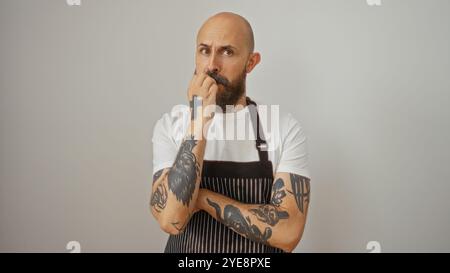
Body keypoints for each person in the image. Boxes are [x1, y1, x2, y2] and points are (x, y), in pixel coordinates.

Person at [150, 12, 311, 253]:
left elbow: (288, 234)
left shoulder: (282, 128)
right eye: (204, 50)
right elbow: (172, 219)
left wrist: (202, 198)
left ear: (251, 62)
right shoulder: (171, 125)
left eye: (227, 52)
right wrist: (200, 119)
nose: (212, 65)